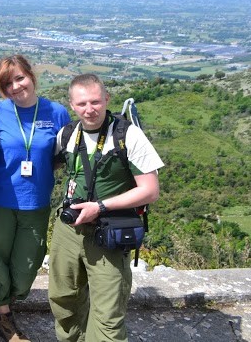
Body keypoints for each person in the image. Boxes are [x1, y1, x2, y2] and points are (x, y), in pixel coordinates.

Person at [48, 74, 163, 342]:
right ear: (72, 105)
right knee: (63, 298)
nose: (90, 109)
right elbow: (50, 166)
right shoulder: (67, 134)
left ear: (107, 99)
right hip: (70, 229)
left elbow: (150, 190)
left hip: (108, 232)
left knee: (108, 314)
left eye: (96, 102)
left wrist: (99, 206)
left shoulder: (127, 136)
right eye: (82, 103)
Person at [0, 55, 70, 342]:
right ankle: (4, 316)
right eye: (8, 83)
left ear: (31, 75)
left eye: (19, 78)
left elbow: (63, 155)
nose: (16, 87)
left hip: (36, 200)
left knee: (28, 263)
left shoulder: (56, 112)